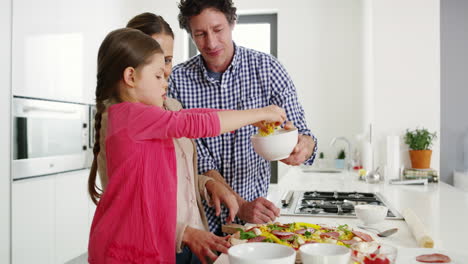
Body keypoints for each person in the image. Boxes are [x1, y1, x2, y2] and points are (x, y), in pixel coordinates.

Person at [87, 28, 287, 263]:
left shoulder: (141, 117)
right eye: (158, 76)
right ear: (131, 77)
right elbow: (195, 122)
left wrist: (251, 117)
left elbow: (197, 113)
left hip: (145, 248)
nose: (165, 83)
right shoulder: (129, 116)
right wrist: (260, 113)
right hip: (124, 253)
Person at [169, 0, 318, 235]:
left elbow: (301, 131)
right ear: (190, 35)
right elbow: (197, 160)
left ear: (232, 23)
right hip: (198, 227)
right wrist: (239, 206)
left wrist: (303, 146)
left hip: (254, 222)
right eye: (200, 34)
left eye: (218, 30)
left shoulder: (267, 69)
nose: (211, 42)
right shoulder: (176, 81)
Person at [126, 12, 238, 263]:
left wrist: (207, 184)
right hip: (157, 249)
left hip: (194, 243)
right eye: (152, 60)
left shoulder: (173, 106)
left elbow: (177, 173)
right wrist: (184, 233)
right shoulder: (121, 119)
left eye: (167, 60)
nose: (164, 70)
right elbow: (129, 205)